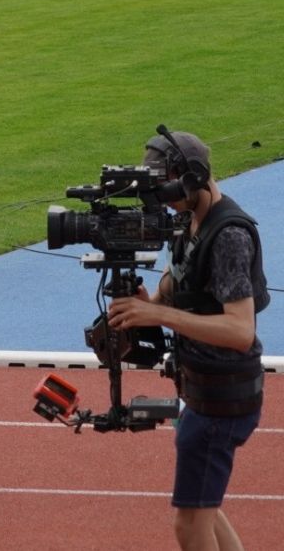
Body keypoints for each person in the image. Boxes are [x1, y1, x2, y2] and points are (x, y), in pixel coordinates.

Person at [108, 128, 270, 551]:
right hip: (203, 393)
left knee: (188, 524)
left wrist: (158, 314)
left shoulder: (230, 236)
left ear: (194, 179)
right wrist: (153, 298)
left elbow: (239, 330)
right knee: (206, 509)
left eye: (169, 193)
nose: (165, 204)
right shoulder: (188, 220)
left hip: (221, 400)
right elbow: (180, 274)